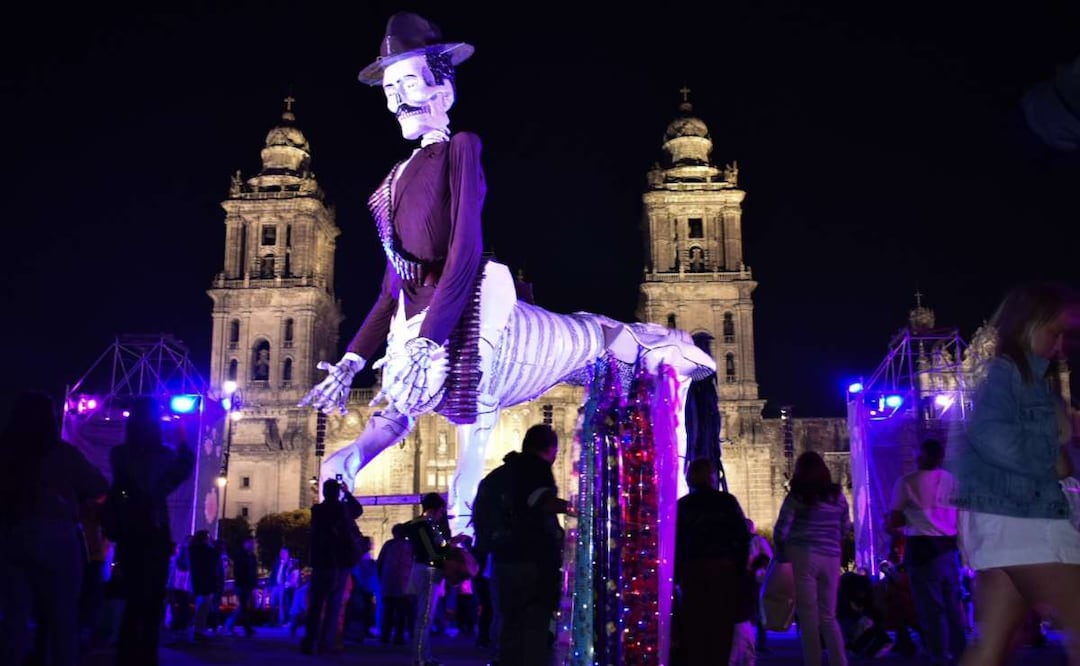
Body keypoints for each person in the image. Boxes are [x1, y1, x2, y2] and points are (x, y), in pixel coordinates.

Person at [299, 10, 714, 536]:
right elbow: (390, 287)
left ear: (442, 91)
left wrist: (431, 340)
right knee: (396, 405)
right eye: (389, 87)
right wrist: (350, 361)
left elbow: (466, 250)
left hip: (474, 289)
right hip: (421, 312)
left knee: (487, 393)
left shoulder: (461, 148)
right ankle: (365, 479)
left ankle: (651, 352)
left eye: (408, 82)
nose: (397, 97)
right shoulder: (391, 181)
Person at [946, 282, 1080, 666]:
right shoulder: (1008, 375)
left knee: (991, 647)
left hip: (1003, 524)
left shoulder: (1021, 378)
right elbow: (990, 434)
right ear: (1029, 325)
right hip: (1024, 520)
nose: (1059, 345)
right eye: (1054, 333)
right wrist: (1053, 459)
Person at [0, 391, 109, 666]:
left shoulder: (6, 451)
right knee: (63, 618)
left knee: (15, 617)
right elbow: (98, 485)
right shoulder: (61, 452)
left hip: (13, 533)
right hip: (57, 534)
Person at [106, 396, 195, 666]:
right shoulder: (163, 456)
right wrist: (181, 439)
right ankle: (146, 656)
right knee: (152, 602)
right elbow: (182, 468)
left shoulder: (119, 454)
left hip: (128, 534)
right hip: (154, 533)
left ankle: (125, 656)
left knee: (133, 602)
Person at [489, 424, 570, 666]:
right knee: (535, 628)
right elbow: (542, 502)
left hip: (503, 560)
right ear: (550, 449)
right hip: (531, 561)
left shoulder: (501, 473)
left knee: (511, 627)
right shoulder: (535, 468)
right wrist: (578, 509)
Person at [887, 437, 966, 665]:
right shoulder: (952, 481)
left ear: (920, 456)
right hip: (949, 547)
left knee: (931, 607)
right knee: (952, 603)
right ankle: (959, 650)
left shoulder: (907, 483)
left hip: (922, 548)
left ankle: (939, 653)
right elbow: (961, 515)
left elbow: (895, 518)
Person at [773, 451, 850, 666]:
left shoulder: (797, 496)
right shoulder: (838, 497)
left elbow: (781, 530)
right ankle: (839, 661)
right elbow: (845, 527)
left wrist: (781, 552)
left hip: (802, 555)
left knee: (808, 617)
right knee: (829, 615)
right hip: (831, 557)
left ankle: (813, 662)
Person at [675, 457, 752, 666]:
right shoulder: (727, 502)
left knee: (696, 628)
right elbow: (743, 538)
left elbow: (676, 543)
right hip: (723, 570)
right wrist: (739, 568)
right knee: (721, 628)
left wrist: (676, 575)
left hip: (693, 571)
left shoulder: (683, 506)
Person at [301, 478, 363, 655]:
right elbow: (358, 510)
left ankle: (309, 641)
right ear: (337, 492)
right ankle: (325, 642)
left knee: (315, 604)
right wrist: (347, 493)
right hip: (337, 562)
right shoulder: (341, 509)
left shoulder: (317, 510)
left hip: (320, 562)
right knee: (333, 604)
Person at [404, 492, 466, 666]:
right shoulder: (426, 524)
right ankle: (421, 658)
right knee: (425, 617)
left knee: (424, 616)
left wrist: (449, 542)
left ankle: (424, 656)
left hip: (422, 568)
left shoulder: (419, 524)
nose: (442, 515)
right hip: (429, 570)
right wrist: (450, 545)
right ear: (436, 509)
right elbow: (434, 551)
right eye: (441, 511)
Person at [377, 522, 414, 645]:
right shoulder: (410, 546)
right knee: (401, 613)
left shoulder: (388, 545)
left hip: (389, 583)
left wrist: (381, 578)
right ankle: (398, 637)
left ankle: (385, 636)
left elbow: (380, 563)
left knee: (388, 611)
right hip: (404, 584)